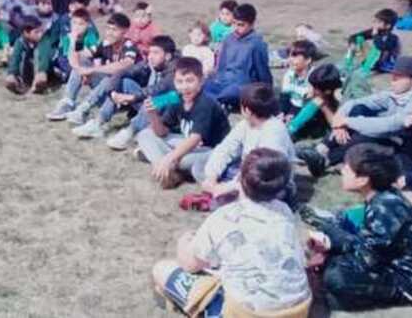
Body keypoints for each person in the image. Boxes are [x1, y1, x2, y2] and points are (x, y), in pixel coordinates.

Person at [152, 149, 311, 318]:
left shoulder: (224, 217)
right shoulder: (284, 211)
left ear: (239, 178)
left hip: (245, 313)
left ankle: (196, 308)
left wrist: (184, 241)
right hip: (297, 311)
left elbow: (190, 264)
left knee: (162, 269)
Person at [306, 144, 412, 311]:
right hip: (389, 263)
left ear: (363, 179)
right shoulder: (381, 197)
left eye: (347, 168)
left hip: (407, 282)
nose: (342, 171)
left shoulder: (385, 207)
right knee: (327, 247)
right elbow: (369, 245)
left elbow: (368, 259)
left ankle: (342, 300)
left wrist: (333, 244)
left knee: (335, 276)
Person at [299, 56, 412, 177]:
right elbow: (356, 103)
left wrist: (347, 121)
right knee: (358, 109)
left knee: (368, 134)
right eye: (392, 76)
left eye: (397, 78)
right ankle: (321, 149)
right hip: (390, 136)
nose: (392, 81)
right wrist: (340, 120)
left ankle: (326, 159)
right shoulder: (395, 94)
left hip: (406, 148)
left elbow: (391, 125)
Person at [136, 57, 230, 189]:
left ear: (201, 81)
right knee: (144, 134)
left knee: (183, 160)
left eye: (190, 81)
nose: (184, 87)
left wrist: (169, 158)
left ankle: (166, 166)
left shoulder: (206, 103)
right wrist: (153, 114)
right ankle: (168, 171)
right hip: (188, 145)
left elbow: (195, 139)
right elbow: (162, 132)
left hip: (211, 150)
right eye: (179, 82)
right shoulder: (176, 98)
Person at [194, 83, 295, 205]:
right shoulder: (245, 124)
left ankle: (234, 197)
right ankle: (227, 193)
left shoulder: (274, 131)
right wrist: (212, 177)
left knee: (261, 192)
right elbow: (226, 149)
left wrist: (230, 187)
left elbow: (265, 171)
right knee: (200, 164)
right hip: (244, 172)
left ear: (247, 110)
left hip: (270, 181)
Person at [72, 35, 177, 140]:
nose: (150, 56)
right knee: (122, 81)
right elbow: (124, 72)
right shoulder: (150, 63)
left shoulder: (177, 68)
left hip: (168, 108)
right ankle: (98, 123)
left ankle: (130, 131)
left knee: (157, 99)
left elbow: (161, 88)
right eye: (150, 52)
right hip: (145, 101)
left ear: (167, 56)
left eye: (156, 53)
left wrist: (133, 97)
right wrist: (113, 92)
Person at [46, 12, 140, 123]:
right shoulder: (105, 43)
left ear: (124, 32)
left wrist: (92, 70)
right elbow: (80, 57)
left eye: (114, 30)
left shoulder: (129, 46)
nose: (109, 33)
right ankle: (68, 102)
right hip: (107, 91)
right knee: (83, 62)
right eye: (108, 29)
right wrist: (76, 40)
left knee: (110, 76)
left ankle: (84, 109)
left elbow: (123, 65)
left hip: (126, 95)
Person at [202, 4, 272, 108]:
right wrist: (217, 79)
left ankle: (218, 103)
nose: (236, 27)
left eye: (241, 25)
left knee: (231, 93)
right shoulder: (228, 39)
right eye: (234, 23)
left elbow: (262, 71)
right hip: (223, 82)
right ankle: (218, 102)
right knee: (201, 86)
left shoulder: (256, 44)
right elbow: (221, 65)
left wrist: (266, 93)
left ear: (252, 24)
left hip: (242, 86)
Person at [288, 63, 342, 141]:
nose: (312, 90)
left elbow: (336, 124)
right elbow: (296, 123)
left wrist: (324, 106)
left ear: (327, 91)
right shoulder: (314, 96)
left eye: (315, 88)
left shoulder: (339, 99)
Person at [346, 8, 401, 74]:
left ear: (388, 26)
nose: (375, 24)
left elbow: (380, 46)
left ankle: (369, 66)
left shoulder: (393, 37)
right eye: (375, 21)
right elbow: (355, 36)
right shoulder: (378, 30)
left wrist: (375, 35)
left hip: (386, 64)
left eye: (379, 22)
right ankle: (347, 63)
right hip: (376, 59)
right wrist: (352, 44)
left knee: (377, 48)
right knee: (358, 39)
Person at [5, 16, 46, 94]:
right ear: (26, 33)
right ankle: (18, 83)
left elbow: (44, 59)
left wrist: (41, 72)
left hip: (39, 69)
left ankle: (36, 85)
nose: (40, 34)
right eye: (36, 32)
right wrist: (12, 73)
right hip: (24, 71)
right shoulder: (20, 42)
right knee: (11, 77)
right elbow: (15, 59)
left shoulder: (43, 42)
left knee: (37, 54)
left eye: (41, 31)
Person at [279, 40, 317, 119]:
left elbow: (310, 102)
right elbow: (284, 97)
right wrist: (282, 113)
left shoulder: (315, 76)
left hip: (310, 111)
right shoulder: (289, 74)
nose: (290, 59)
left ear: (308, 60)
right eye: (289, 56)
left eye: (295, 56)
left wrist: (293, 115)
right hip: (293, 106)